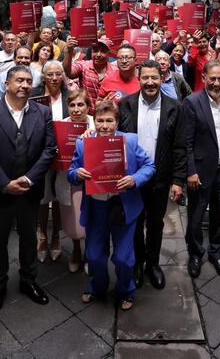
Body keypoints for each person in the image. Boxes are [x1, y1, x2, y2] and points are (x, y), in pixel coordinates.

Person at [0, 65, 58, 317]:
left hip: (30, 192)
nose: (24, 85)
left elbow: (49, 150)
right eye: (19, 80)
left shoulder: (43, 113)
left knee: (29, 237)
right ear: (7, 84)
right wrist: (4, 183)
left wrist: (30, 179)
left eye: (28, 81)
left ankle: (28, 280)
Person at [69, 100, 155, 311]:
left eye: (109, 120)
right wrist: (77, 174)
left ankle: (126, 289)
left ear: (117, 122)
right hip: (96, 208)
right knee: (95, 255)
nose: (104, 125)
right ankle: (97, 286)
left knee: (124, 258)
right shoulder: (83, 144)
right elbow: (71, 171)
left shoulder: (130, 141)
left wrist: (135, 178)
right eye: (100, 121)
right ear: (94, 121)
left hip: (122, 207)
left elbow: (149, 166)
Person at [119, 59, 186, 290]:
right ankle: (137, 263)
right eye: (145, 77)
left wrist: (178, 180)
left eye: (154, 78)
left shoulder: (174, 107)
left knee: (156, 222)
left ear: (162, 78)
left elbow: (179, 146)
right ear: (139, 79)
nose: (150, 82)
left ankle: (153, 264)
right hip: (133, 178)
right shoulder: (125, 105)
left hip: (161, 178)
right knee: (135, 223)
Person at [181, 61, 220, 280]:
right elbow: (185, 142)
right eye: (212, 78)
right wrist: (190, 171)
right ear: (204, 77)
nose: (216, 83)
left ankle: (217, 253)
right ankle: (195, 254)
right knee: (196, 216)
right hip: (199, 172)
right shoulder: (191, 102)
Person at [31, 60, 69, 263]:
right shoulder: (34, 95)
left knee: (60, 196)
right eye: (50, 74)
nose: (54, 78)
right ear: (43, 76)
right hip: (40, 155)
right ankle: (43, 235)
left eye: (58, 74)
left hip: (64, 155)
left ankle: (56, 236)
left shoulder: (69, 95)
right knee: (43, 197)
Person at [57, 89, 92, 272]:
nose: (76, 109)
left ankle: (89, 253)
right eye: (72, 105)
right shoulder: (60, 126)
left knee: (91, 219)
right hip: (67, 181)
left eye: (81, 104)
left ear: (88, 106)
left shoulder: (96, 123)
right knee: (72, 219)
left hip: (91, 182)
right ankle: (76, 251)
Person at [63, 36, 117, 108]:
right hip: (87, 115)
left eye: (103, 51)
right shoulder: (84, 66)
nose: (98, 55)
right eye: (95, 51)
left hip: (107, 115)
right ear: (91, 52)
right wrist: (69, 52)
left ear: (108, 54)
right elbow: (67, 73)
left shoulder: (115, 71)